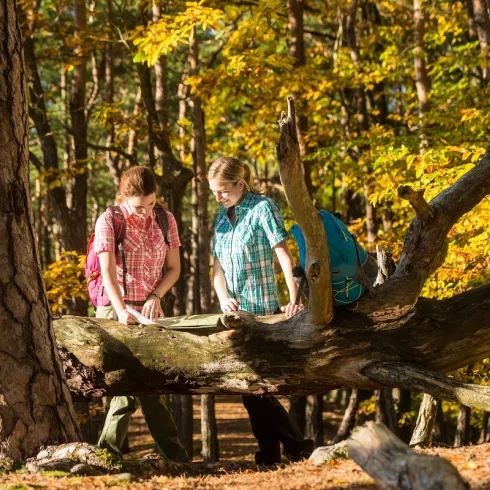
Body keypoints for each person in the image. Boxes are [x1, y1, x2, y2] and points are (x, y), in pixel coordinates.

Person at [208, 156, 312, 465]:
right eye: (214, 191)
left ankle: (282, 449)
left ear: (241, 184)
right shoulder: (220, 219)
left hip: (264, 311)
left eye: (223, 190)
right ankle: (280, 450)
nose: (218, 197)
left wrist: (293, 298)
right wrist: (223, 296)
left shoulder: (262, 208)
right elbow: (217, 267)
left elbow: (282, 253)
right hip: (236, 315)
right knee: (250, 387)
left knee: (255, 385)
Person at [94, 166, 188, 462]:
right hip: (116, 309)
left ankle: (170, 456)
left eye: (151, 203)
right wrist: (122, 310)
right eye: (139, 206)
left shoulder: (165, 218)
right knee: (129, 385)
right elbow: (107, 271)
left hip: (150, 311)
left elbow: (174, 269)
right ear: (124, 197)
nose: (146, 211)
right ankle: (108, 454)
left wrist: (156, 295)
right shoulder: (110, 219)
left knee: (150, 386)